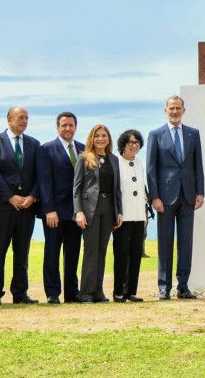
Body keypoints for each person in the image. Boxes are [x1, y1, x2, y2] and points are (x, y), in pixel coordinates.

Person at [147, 95, 205, 300]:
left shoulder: (193, 134)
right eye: (171, 108)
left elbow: (198, 165)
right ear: (165, 111)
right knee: (164, 243)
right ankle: (164, 287)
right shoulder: (155, 135)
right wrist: (154, 196)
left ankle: (183, 285)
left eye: (178, 108)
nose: (174, 111)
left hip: (188, 196)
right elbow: (151, 169)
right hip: (164, 198)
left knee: (185, 243)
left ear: (184, 110)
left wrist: (200, 192)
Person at [0, 106, 40, 305]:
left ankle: (20, 293)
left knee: (22, 251)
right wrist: (10, 197)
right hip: (3, 206)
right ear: (9, 119)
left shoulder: (34, 144)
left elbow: (39, 175)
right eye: (20, 117)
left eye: (26, 117)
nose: (24, 121)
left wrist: (32, 196)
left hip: (27, 207)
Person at [37, 111, 84, 304]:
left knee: (73, 253)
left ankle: (72, 293)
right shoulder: (47, 149)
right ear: (58, 127)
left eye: (71, 125)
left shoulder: (83, 149)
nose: (68, 128)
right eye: (64, 125)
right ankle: (53, 293)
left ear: (75, 127)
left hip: (76, 212)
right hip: (54, 211)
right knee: (52, 253)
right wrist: (49, 209)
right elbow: (44, 181)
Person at [74, 124, 123, 303]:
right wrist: (78, 211)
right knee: (90, 251)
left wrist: (119, 212)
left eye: (104, 135)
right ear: (92, 139)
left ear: (108, 139)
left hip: (109, 208)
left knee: (102, 250)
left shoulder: (114, 159)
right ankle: (86, 293)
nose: (100, 139)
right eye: (97, 136)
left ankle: (98, 292)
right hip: (89, 210)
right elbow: (77, 188)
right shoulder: (84, 158)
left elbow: (117, 188)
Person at [113, 129, 148, 302]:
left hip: (138, 215)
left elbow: (142, 191)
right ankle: (119, 291)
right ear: (123, 144)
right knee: (121, 253)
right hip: (122, 216)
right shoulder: (115, 161)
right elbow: (114, 191)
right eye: (130, 142)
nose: (134, 145)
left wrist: (144, 216)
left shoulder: (140, 162)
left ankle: (131, 291)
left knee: (136, 253)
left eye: (137, 142)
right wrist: (116, 213)